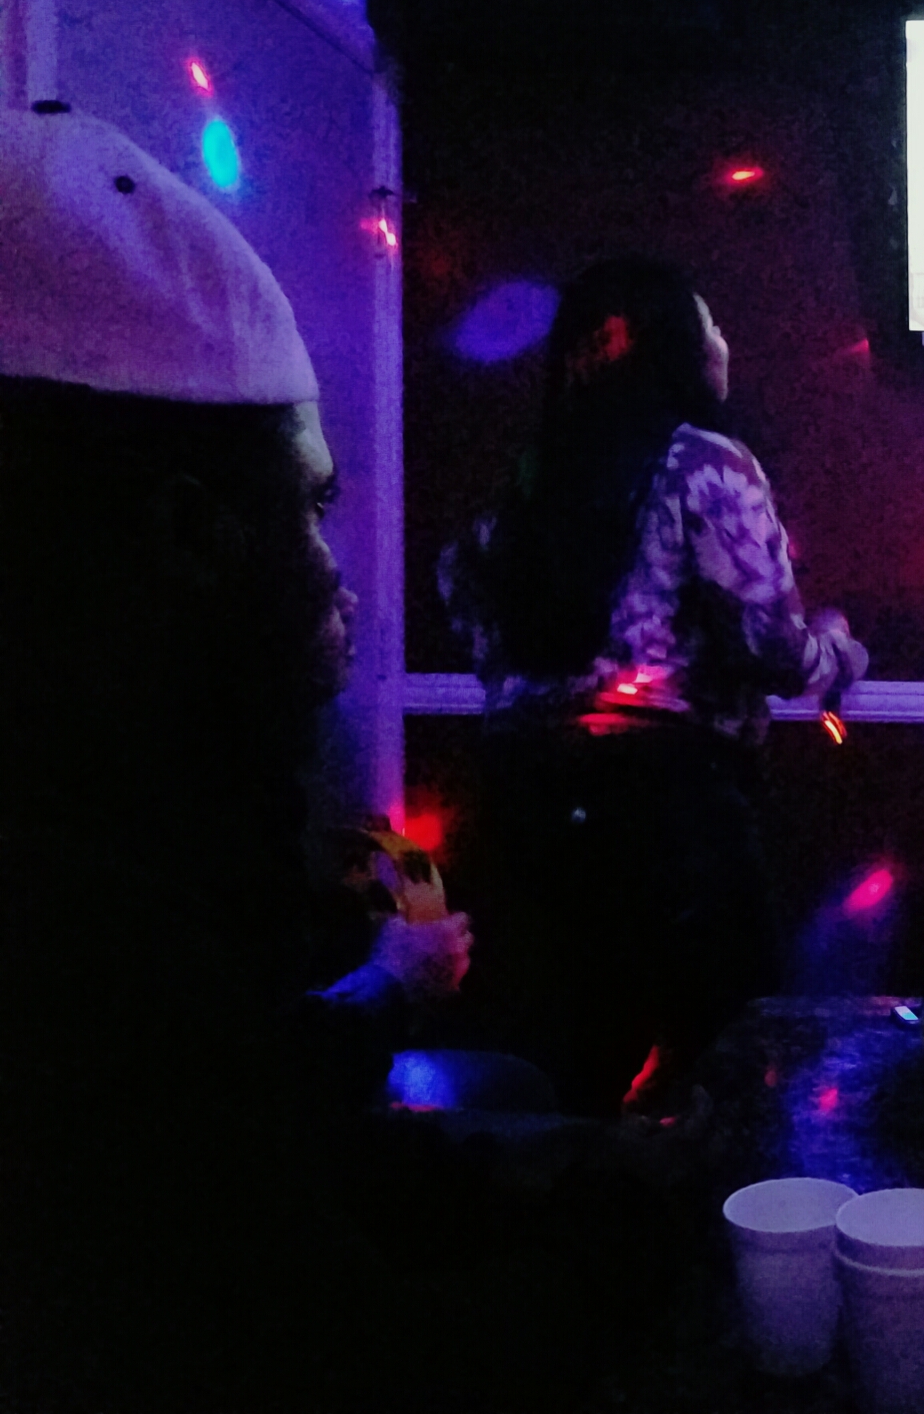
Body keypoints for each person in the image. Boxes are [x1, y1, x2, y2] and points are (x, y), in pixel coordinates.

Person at [0, 105, 683, 1414]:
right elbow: (350, 1360)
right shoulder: (81, 926)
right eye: (310, 506)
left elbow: (248, 1150)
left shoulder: (150, 823)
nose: (334, 572)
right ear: (192, 537)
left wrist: (558, 1171)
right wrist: (635, 1236)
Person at [441, 257, 867, 1119]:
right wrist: (840, 651)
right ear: (676, 348)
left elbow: (463, 591)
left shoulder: (530, 477)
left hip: (525, 812)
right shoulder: (705, 461)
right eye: (709, 324)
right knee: (725, 1079)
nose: (725, 341)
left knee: (559, 1083)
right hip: (672, 814)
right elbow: (771, 649)